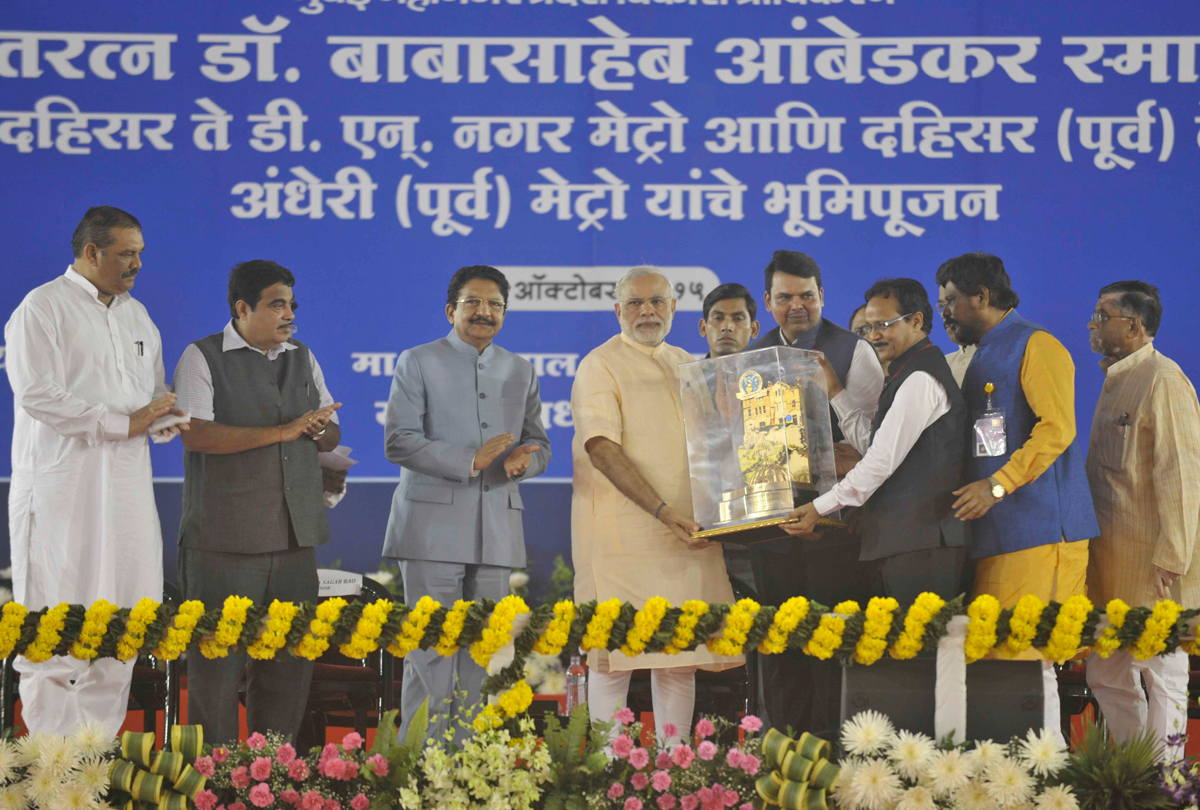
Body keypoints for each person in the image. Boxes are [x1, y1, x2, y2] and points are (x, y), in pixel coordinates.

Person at [5, 206, 183, 735]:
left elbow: (150, 394)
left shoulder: (137, 315)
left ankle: (97, 758)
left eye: (140, 254)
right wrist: (123, 423)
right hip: (62, 490)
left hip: (126, 490)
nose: (137, 264)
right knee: (54, 624)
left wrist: (167, 417)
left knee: (124, 621)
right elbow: (37, 393)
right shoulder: (42, 307)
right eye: (127, 254)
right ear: (91, 252)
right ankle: (52, 764)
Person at [174, 260, 342, 744]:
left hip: (294, 540)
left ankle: (274, 774)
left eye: (292, 304)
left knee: (288, 669)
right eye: (277, 305)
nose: (289, 314)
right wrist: (283, 431)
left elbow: (331, 434)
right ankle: (214, 777)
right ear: (242, 308)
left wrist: (318, 429)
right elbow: (196, 434)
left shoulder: (303, 356)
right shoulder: (201, 356)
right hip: (224, 543)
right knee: (217, 672)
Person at [383, 265, 550, 740]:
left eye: (495, 304)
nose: (484, 312)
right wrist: (469, 459)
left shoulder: (520, 369)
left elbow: (539, 443)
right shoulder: (418, 361)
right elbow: (398, 441)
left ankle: (470, 766)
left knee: (484, 653)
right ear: (450, 310)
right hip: (431, 530)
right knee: (431, 653)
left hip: (495, 528)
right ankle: (422, 766)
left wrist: (525, 462)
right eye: (473, 302)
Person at [572, 266, 738, 742]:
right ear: (617, 310)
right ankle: (608, 770)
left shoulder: (687, 364)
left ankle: (674, 766)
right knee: (614, 660)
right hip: (623, 538)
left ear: (673, 307)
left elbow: (718, 446)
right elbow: (601, 449)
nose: (647, 311)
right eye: (635, 303)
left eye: (657, 302)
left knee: (679, 659)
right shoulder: (599, 364)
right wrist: (664, 512)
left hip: (689, 538)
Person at [936, 252, 1097, 744]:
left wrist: (997, 485)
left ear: (982, 296)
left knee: (1027, 660)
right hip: (997, 534)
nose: (944, 313)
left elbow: (1057, 429)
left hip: (1041, 531)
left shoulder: (1036, 344)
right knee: (997, 657)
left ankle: (1045, 772)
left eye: (950, 301)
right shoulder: (982, 353)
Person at [745, 250, 882, 737]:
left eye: (807, 295)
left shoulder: (853, 351)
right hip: (773, 530)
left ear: (822, 296)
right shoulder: (750, 358)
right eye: (785, 297)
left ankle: (837, 755)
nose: (797, 306)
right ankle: (785, 754)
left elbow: (874, 444)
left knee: (833, 645)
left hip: (835, 529)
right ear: (768, 301)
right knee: (781, 647)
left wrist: (841, 462)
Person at [784, 279, 969, 605]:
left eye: (884, 325)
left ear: (916, 321)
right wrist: (835, 393)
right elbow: (875, 445)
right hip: (906, 540)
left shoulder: (920, 378)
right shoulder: (906, 370)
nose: (873, 336)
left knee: (923, 638)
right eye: (869, 327)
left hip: (923, 542)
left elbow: (880, 461)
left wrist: (818, 507)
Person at [1083, 281, 1200, 758]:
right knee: (1105, 674)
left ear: (1133, 326)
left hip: (1154, 565)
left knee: (1163, 672)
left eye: (1101, 315)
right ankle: (1138, 769)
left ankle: (1166, 781)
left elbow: (1182, 474)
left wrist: (1173, 555)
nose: (1091, 324)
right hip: (1111, 560)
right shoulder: (1117, 378)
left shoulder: (1163, 380)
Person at [698, 283, 759, 359]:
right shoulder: (689, 367)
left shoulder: (769, 366)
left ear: (753, 329)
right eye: (717, 318)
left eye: (738, 319)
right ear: (703, 328)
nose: (726, 327)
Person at [936, 288, 977, 388]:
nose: (944, 314)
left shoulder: (1009, 358)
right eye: (942, 305)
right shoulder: (942, 366)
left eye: (952, 302)